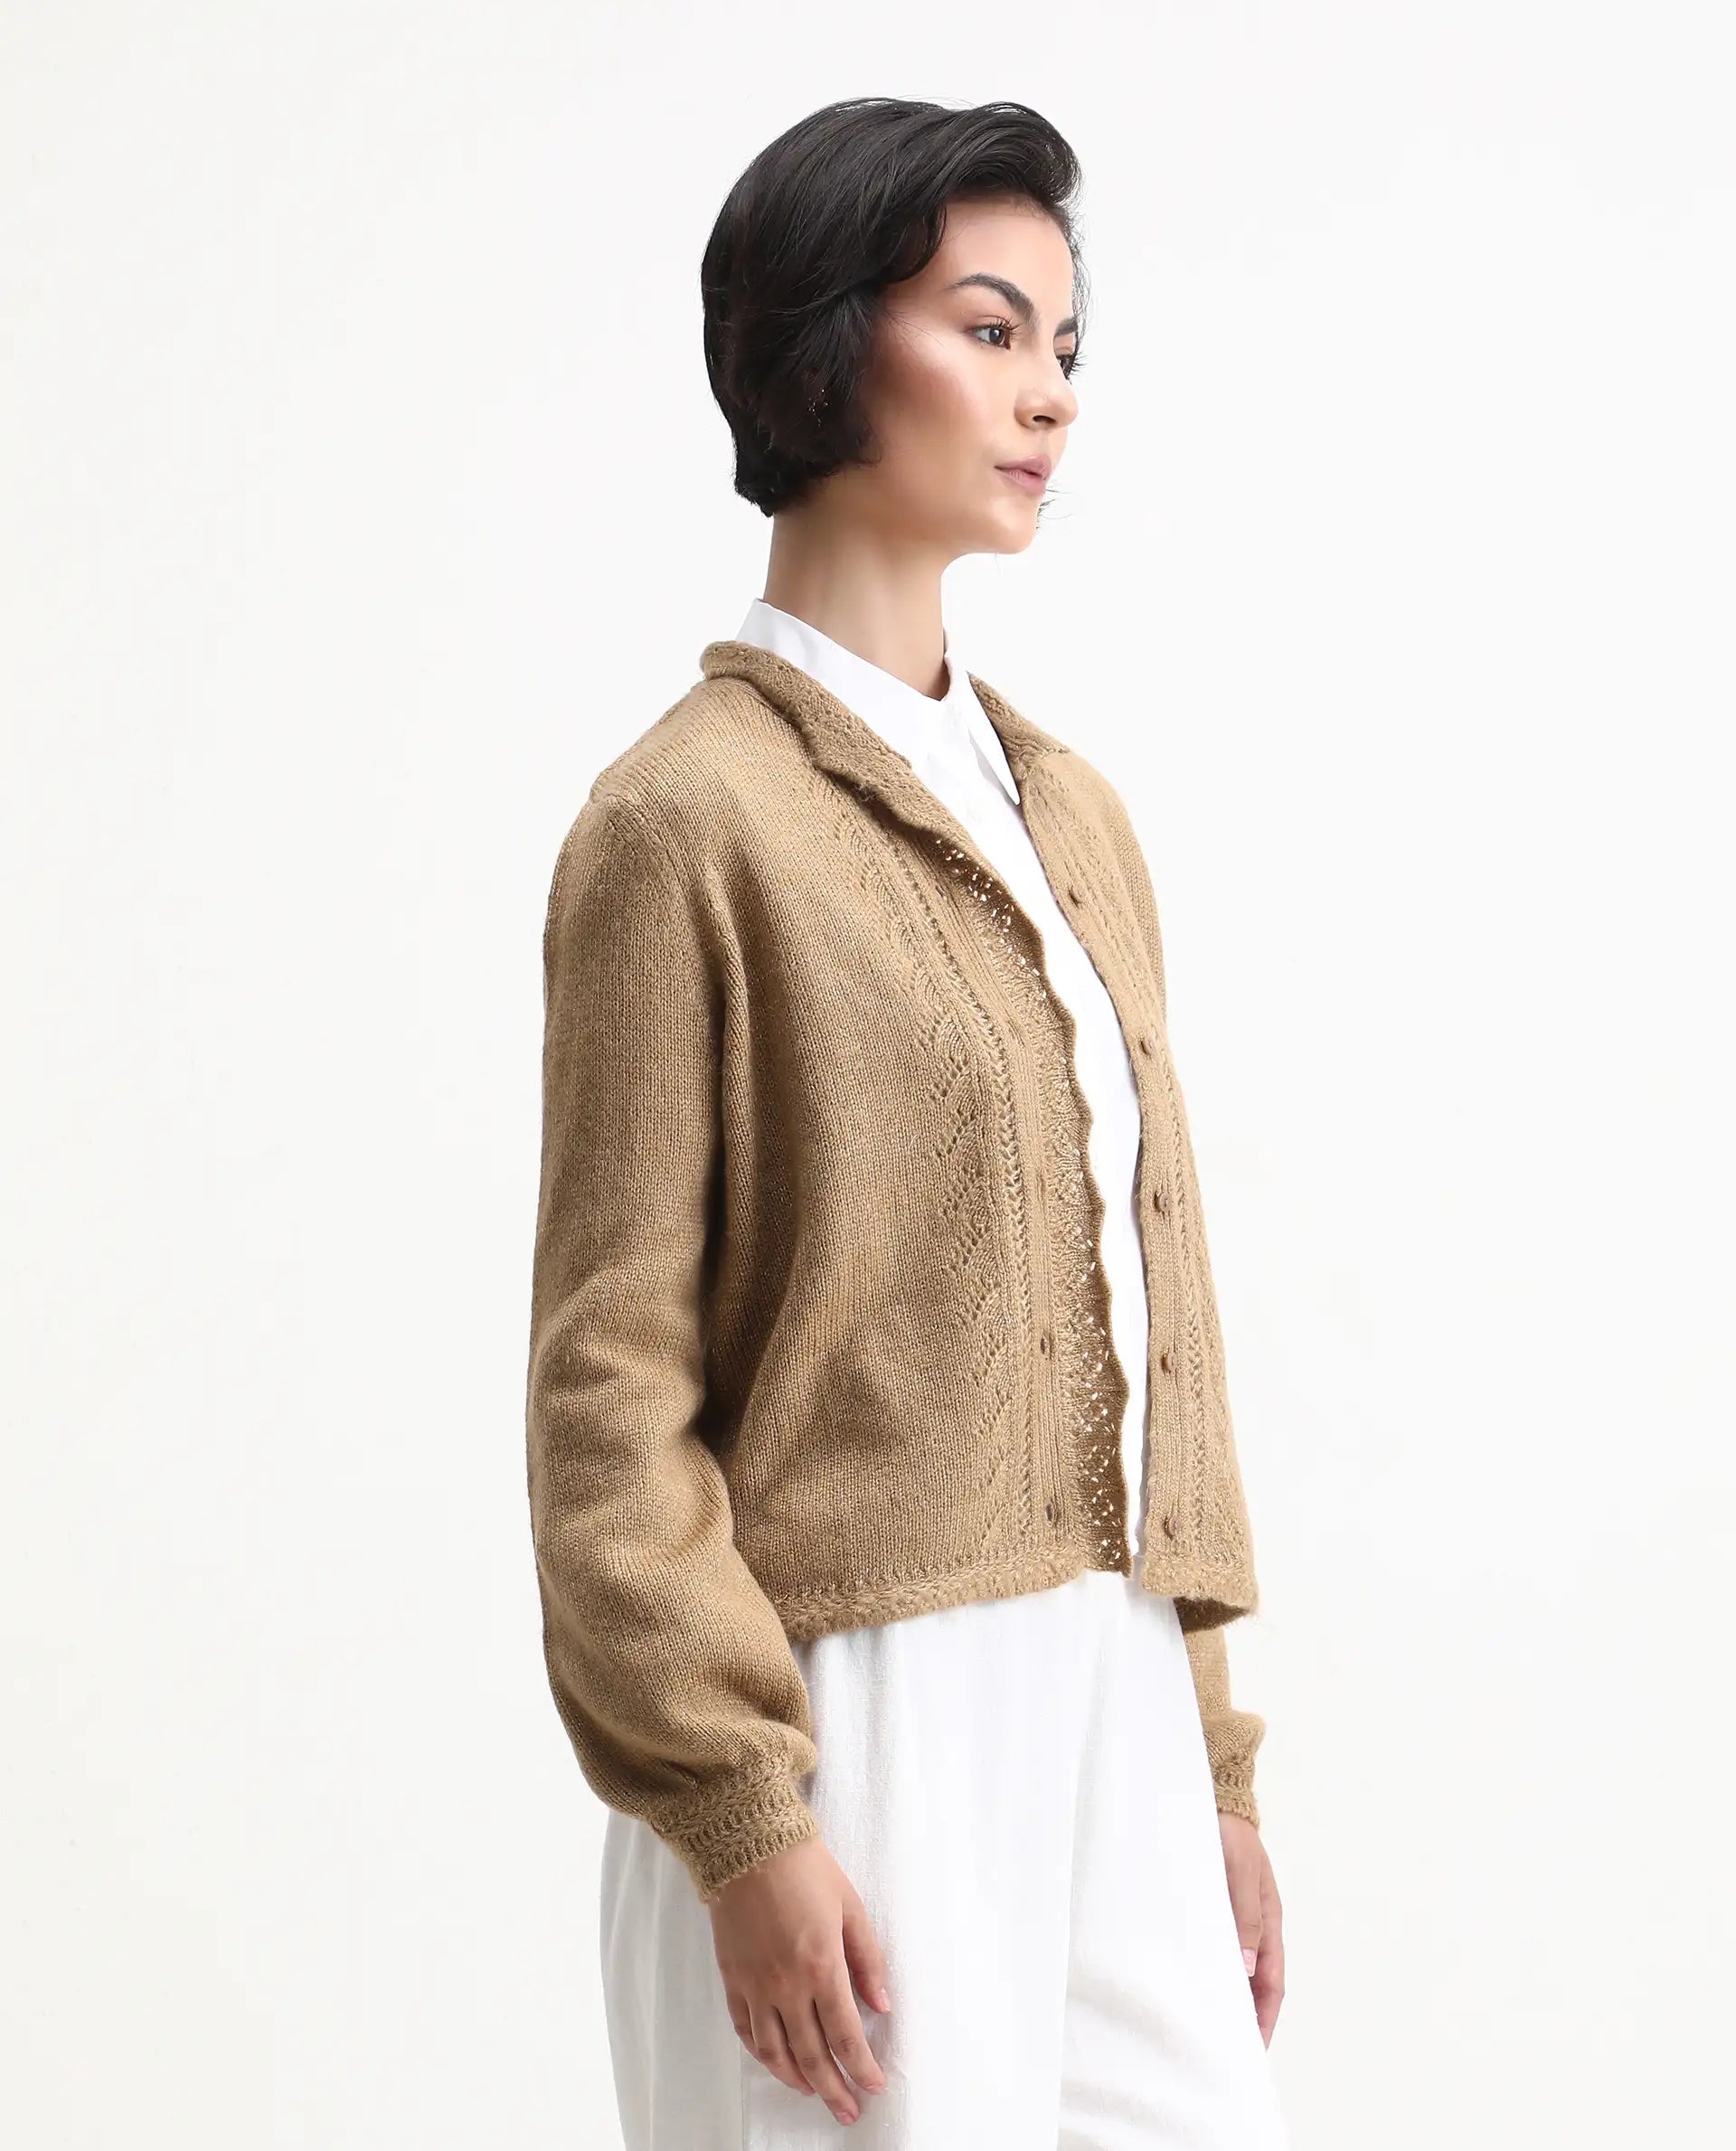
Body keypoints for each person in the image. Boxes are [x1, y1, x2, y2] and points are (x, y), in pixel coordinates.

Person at [524, 97, 1291, 2149]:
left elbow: (1153, 1311)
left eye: (1066, 342)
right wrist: (739, 1811)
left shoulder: (1076, 818)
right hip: (848, 1721)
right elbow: (609, 1384)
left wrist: (1204, 1757)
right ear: (824, 340)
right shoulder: (681, 823)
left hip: (1114, 1696)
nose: (1049, 393)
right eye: (988, 327)